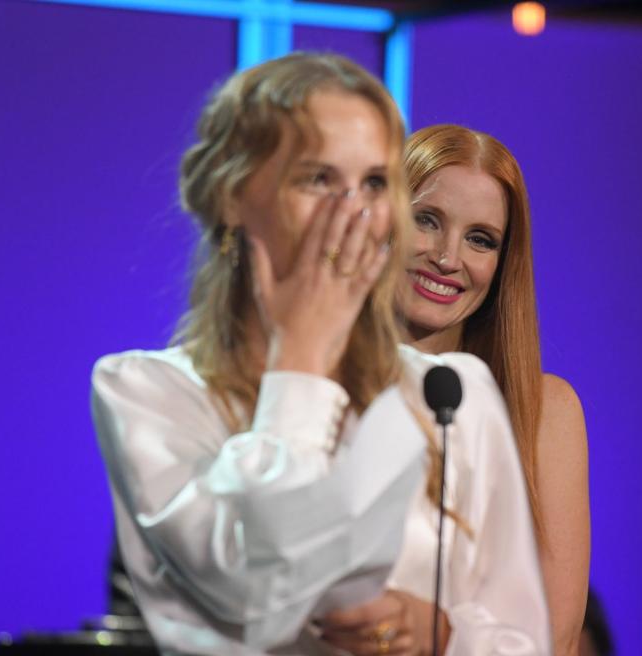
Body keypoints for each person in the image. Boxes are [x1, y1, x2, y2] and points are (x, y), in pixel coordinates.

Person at [91, 54, 550, 656]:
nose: (351, 211)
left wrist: (443, 632)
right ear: (232, 196)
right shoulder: (146, 393)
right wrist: (300, 363)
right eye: (317, 178)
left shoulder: (451, 396)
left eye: (374, 183)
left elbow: (524, 642)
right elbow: (255, 594)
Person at [398, 124, 591, 654]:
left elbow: (553, 634)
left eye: (479, 239)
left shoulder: (543, 412)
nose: (446, 257)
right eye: (427, 220)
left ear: (502, 265)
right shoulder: (316, 390)